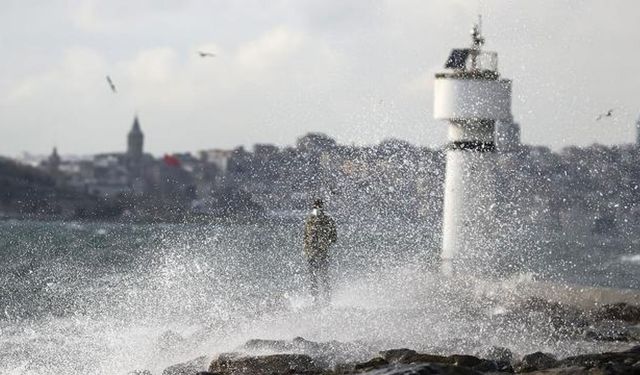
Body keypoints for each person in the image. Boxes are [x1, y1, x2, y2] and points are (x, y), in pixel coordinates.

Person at [303, 199, 337, 302]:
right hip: (313, 252)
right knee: (315, 277)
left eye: (318, 206)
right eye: (315, 207)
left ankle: (324, 299)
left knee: (322, 276)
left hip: (320, 252)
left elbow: (334, 237)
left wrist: (325, 243)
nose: (316, 209)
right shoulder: (310, 220)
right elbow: (305, 236)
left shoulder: (325, 220)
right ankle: (317, 299)